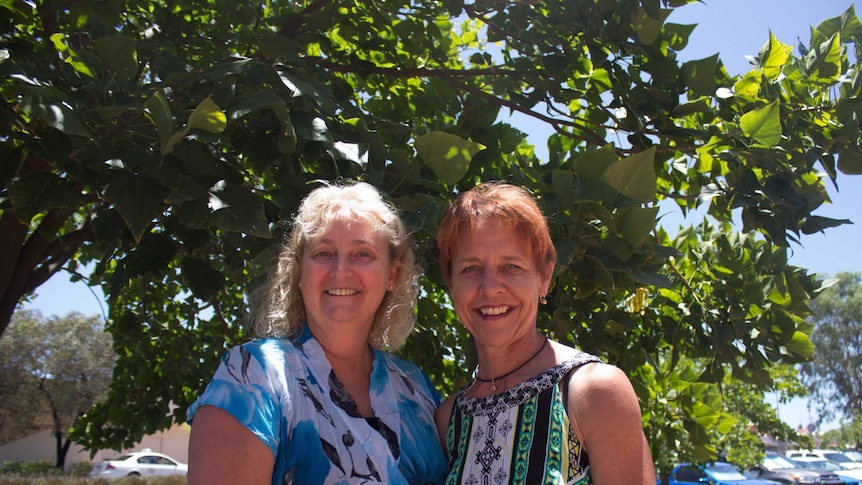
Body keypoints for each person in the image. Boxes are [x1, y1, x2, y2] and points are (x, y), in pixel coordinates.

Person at [187, 182, 447, 485]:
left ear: (391, 274)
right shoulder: (253, 376)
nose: (340, 270)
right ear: (300, 273)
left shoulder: (417, 389)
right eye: (323, 253)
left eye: (362, 254)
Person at [434, 181, 656, 485]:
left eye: (511, 266)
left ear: (544, 276)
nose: (490, 287)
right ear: (451, 283)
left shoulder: (594, 394)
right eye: (470, 269)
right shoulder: (449, 421)